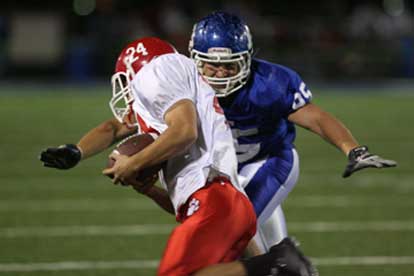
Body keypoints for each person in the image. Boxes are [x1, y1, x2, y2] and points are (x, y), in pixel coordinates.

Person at [39, 37, 314, 276]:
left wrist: (133, 163)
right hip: (227, 203)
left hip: (216, 199)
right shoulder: (178, 101)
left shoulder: (157, 73)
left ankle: (278, 262)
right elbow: (114, 128)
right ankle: (274, 264)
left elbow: (184, 132)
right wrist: (80, 152)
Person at [188, 11, 397, 255]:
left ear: (246, 59)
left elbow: (316, 119)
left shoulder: (270, 83)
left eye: (230, 64)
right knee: (267, 250)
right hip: (225, 169)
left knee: (227, 232)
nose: (221, 73)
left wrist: (353, 149)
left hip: (269, 160)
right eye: (213, 65)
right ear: (195, 59)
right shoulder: (184, 83)